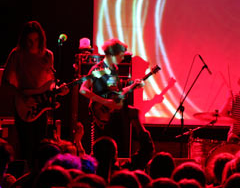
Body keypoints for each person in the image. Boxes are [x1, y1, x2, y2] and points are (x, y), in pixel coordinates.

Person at [2, 21, 67, 170]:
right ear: (24, 40)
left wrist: (59, 89)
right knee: (26, 146)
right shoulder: (17, 55)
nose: (33, 44)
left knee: (40, 145)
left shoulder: (47, 55)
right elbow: (5, 83)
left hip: (41, 106)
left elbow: (49, 83)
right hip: (23, 105)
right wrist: (22, 96)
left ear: (41, 39)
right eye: (30, 41)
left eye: (36, 40)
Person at [79, 38, 150, 158]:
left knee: (133, 114)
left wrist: (133, 86)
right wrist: (105, 101)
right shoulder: (99, 69)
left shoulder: (114, 70)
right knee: (101, 150)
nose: (122, 58)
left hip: (111, 113)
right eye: (120, 55)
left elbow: (115, 93)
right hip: (101, 113)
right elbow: (83, 89)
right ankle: (145, 149)